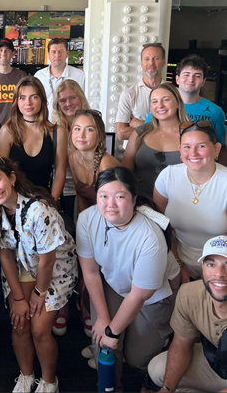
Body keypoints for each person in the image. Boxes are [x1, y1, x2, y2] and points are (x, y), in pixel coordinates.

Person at [0, 154, 77, 393]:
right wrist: (19, 298)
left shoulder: (38, 211)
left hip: (52, 271)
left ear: (11, 178)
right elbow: (4, 254)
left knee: (40, 329)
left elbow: (48, 259)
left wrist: (39, 293)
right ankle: (26, 375)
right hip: (22, 266)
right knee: (19, 323)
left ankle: (49, 380)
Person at [77, 166, 180, 391]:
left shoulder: (150, 236)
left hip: (153, 293)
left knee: (139, 358)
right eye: (103, 196)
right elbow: (91, 271)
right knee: (103, 346)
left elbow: (139, 294)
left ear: (134, 199)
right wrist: (104, 319)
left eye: (120, 196)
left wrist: (113, 331)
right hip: (114, 282)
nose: (110, 204)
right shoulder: (86, 219)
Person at [148, 236, 227, 393]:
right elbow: (181, 345)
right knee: (158, 369)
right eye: (211, 264)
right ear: (203, 267)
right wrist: (166, 389)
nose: (219, 274)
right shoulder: (188, 294)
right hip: (217, 364)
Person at [154, 121, 227, 284]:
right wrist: (179, 265)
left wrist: (214, 270)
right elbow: (160, 226)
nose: (193, 153)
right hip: (175, 257)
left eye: (201, 146)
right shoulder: (168, 176)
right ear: (180, 150)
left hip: (222, 264)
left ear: (216, 149)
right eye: (186, 146)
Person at [0, 76, 67, 202]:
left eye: (34, 97)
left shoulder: (57, 132)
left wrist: (50, 203)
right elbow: (2, 173)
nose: (28, 103)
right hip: (15, 203)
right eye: (22, 98)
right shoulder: (7, 131)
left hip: (46, 202)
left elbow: (60, 173)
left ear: (42, 100)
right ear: (16, 102)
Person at [122, 83, 189, 199]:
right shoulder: (140, 132)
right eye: (154, 101)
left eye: (166, 100)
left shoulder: (192, 133)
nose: (160, 105)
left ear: (178, 103)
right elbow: (125, 173)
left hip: (181, 204)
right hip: (142, 204)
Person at [51, 79, 90, 218]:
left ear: (81, 97)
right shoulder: (53, 130)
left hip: (90, 191)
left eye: (73, 98)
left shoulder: (94, 123)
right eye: (63, 100)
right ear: (57, 104)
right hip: (65, 192)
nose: (68, 104)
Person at [69, 109, 119, 212]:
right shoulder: (72, 158)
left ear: (100, 136)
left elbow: (114, 207)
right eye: (77, 129)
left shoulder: (106, 165)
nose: (81, 135)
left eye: (89, 130)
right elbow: (80, 196)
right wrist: (84, 223)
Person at [116, 43, 166, 141]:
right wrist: (161, 129)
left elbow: (175, 130)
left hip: (164, 152)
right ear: (141, 63)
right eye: (146, 59)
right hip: (136, 153)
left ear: (163, 62)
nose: (151, 63)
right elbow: (121, 133)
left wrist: (142, 124)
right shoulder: (129, 94)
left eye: (156, 58)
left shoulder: (174, 94)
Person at [174, 55, 226, 146]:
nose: (191, 79)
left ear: (203, 82)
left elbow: (219, 147)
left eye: (197, 76)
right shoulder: (162, 107)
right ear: (177, 79)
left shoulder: (216, 112)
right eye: (186, 74)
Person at [34, 38, 85, 122]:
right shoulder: (39, 76)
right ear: (48, 55)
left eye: (61, 51)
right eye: (53, 52)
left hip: (71, 125)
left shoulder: (79, 75)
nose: (57, 55)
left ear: (67, 53)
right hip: (44, 125)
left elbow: (83, 102)